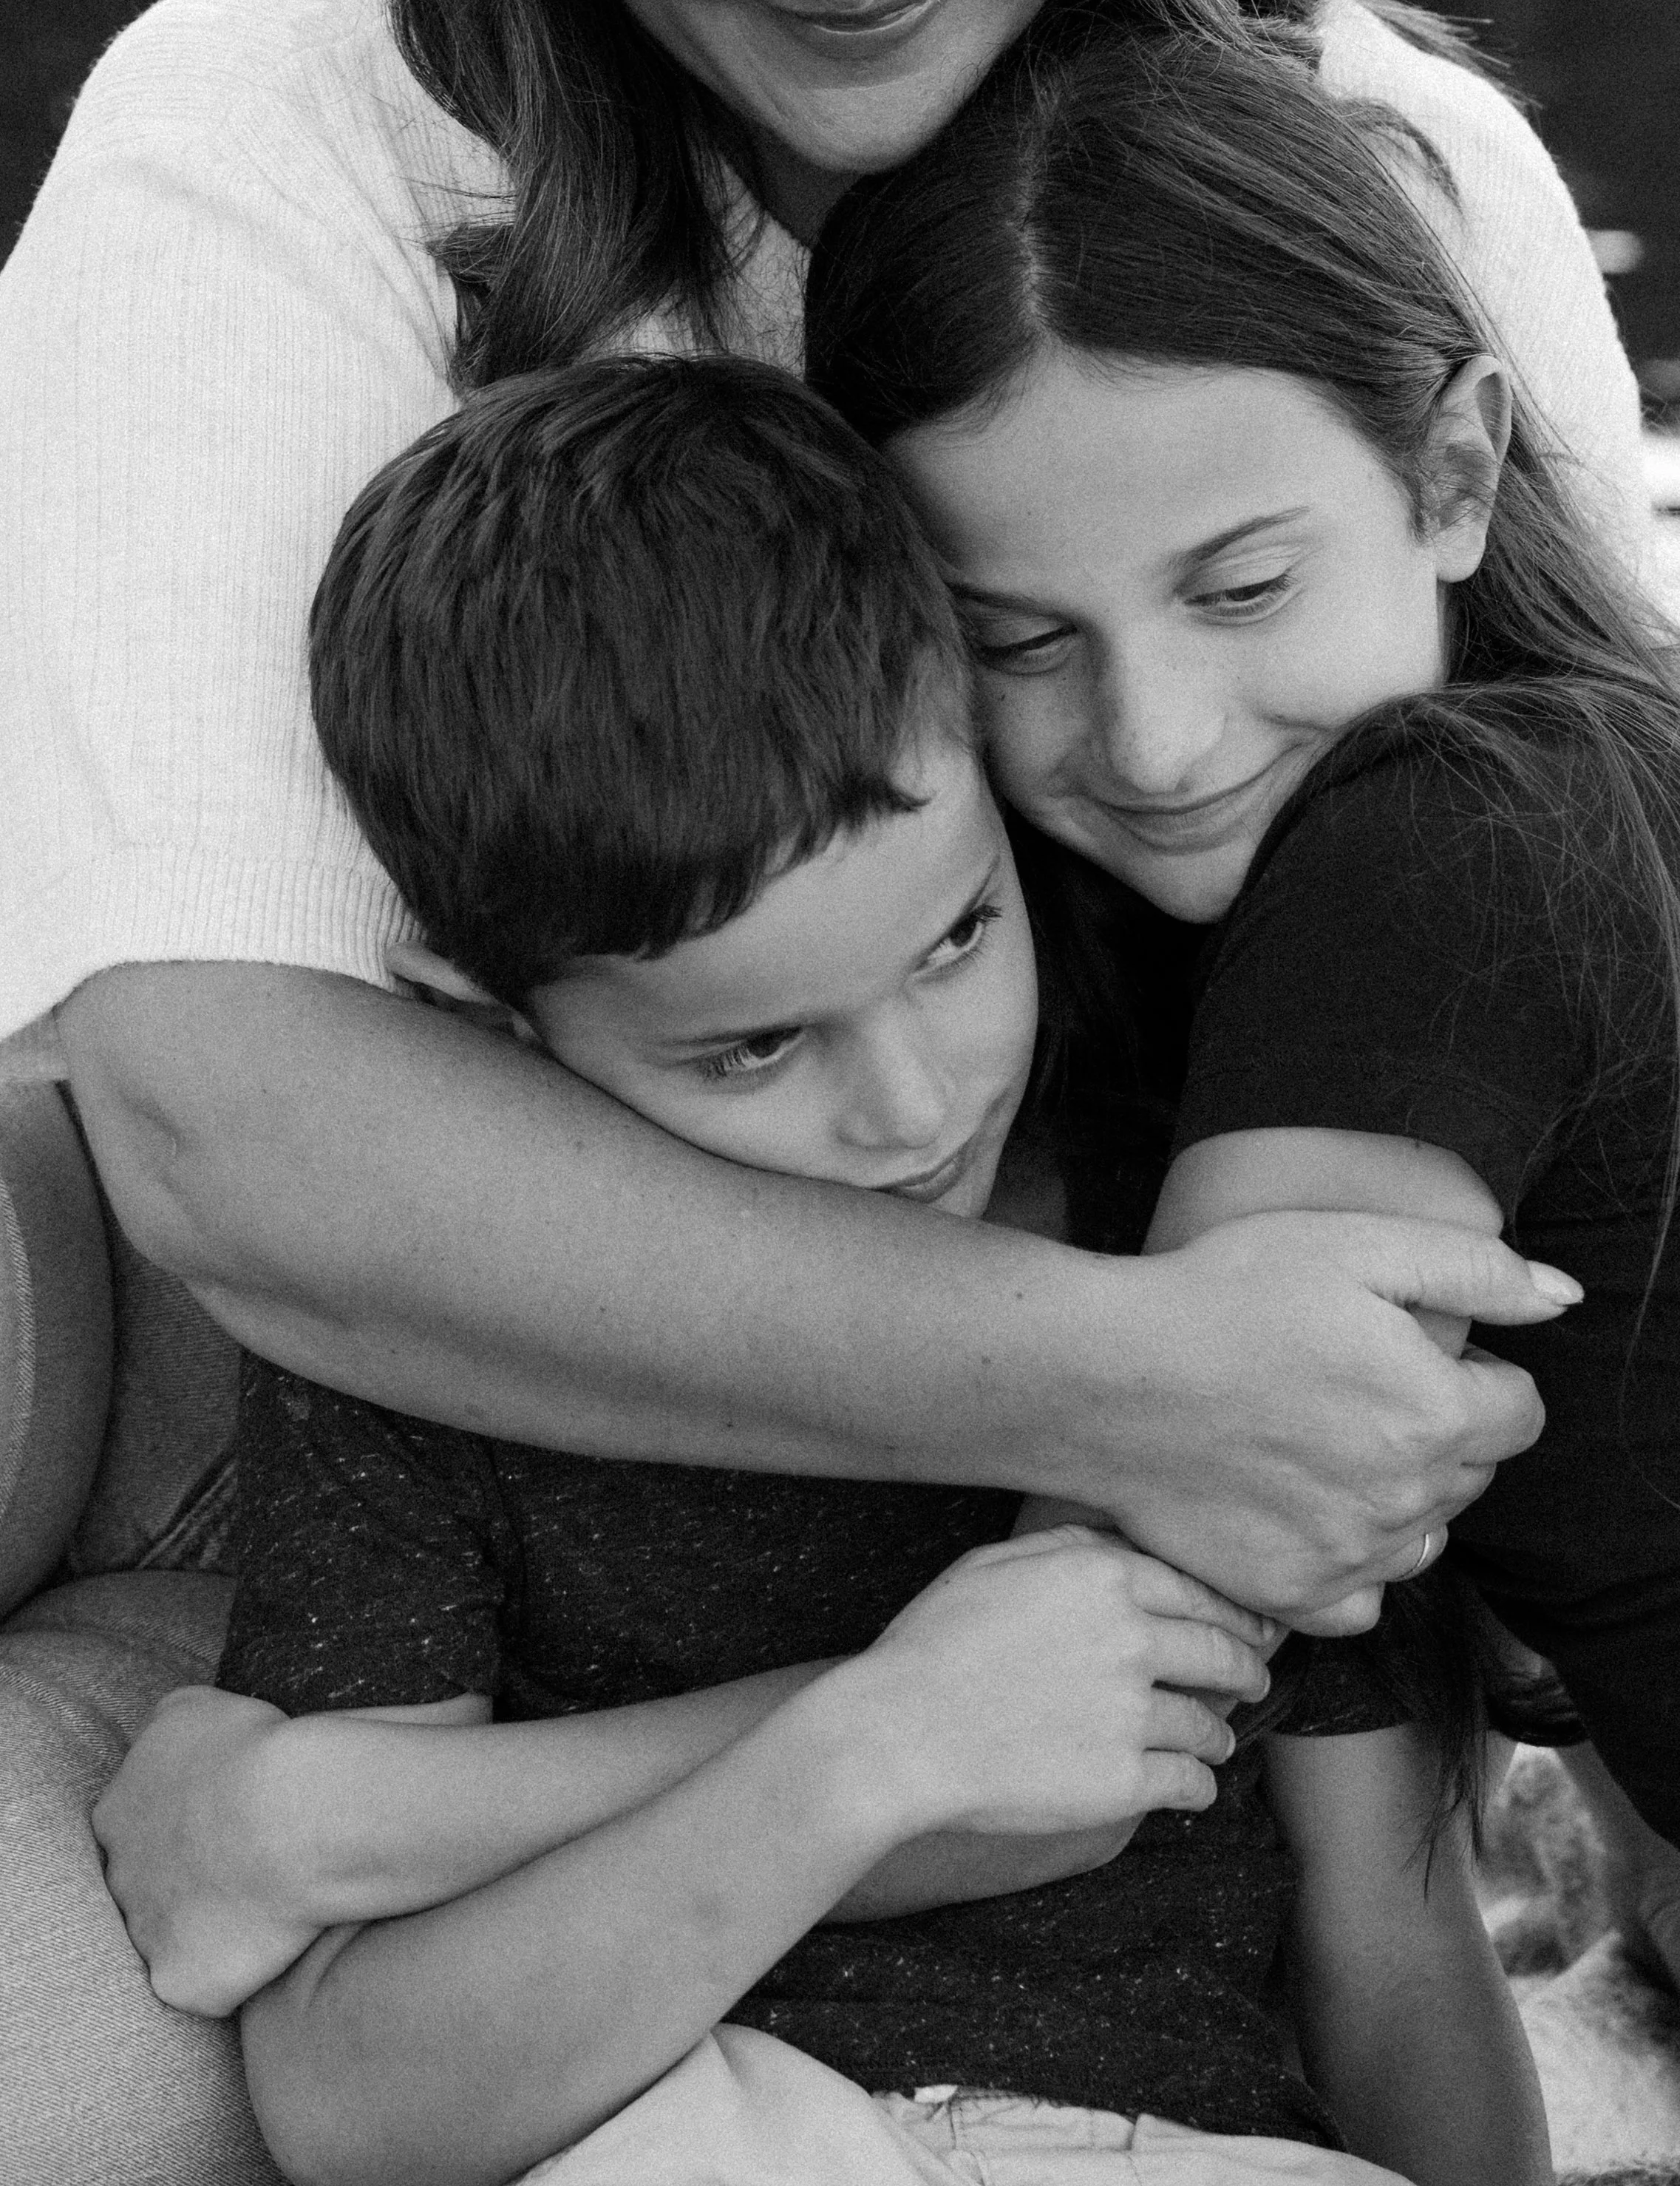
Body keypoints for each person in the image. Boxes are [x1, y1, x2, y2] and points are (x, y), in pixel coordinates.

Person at [1, 0, 1630, 2166]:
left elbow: (1615, 913)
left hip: (1225, 1367)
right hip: (415, 1378)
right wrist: (1147, 1395)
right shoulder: (265, 140)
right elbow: (225, 1126)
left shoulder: (1367, 177)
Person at [103, 354, 1551, 2186]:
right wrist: (869, 1747)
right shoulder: (427, 1333)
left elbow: (1395, 1932)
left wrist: (351, 1818)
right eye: (755, 1047)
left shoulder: (1196, 1221)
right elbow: (353, 2104)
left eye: (956, 937)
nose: (916, 1105)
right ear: (485, 1024)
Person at [802, 27, 1680, 2043]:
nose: (1156, 739)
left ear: (1453, 475)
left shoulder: (1437, 851)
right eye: (1018, 640)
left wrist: (363, 1825)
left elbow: (1065, 1727)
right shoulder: (1651, 783)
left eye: (1242, 587)